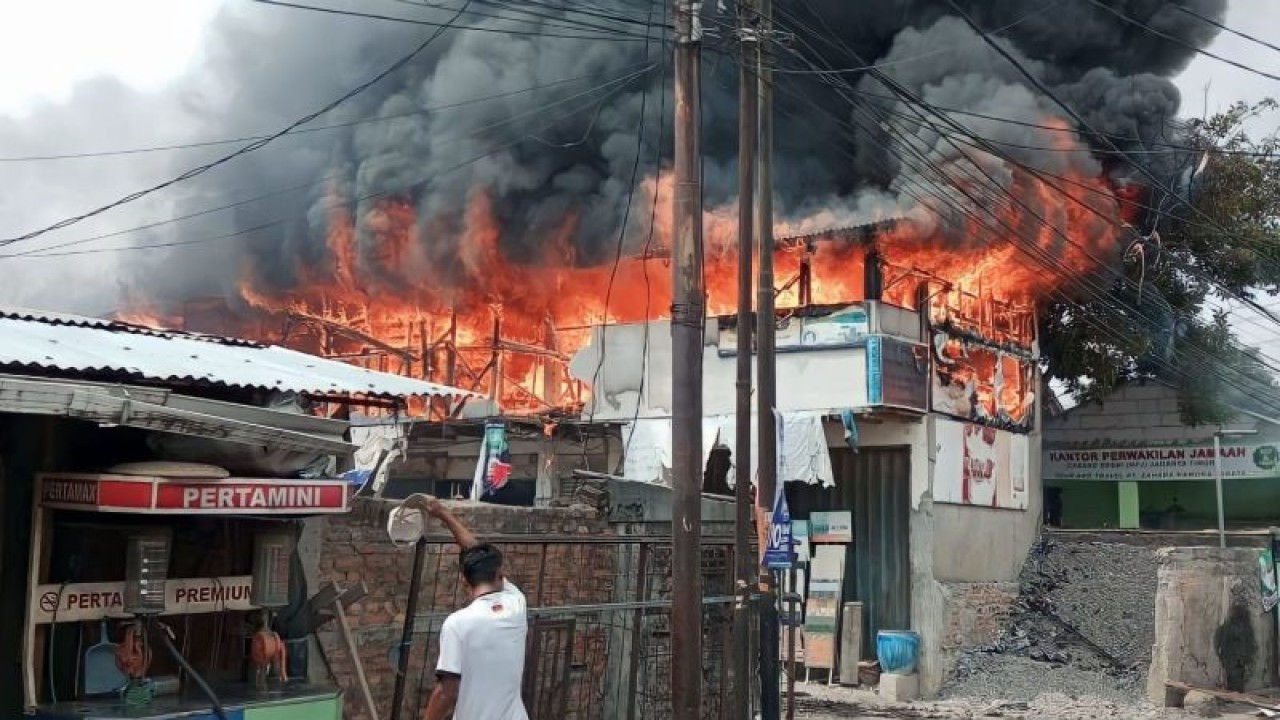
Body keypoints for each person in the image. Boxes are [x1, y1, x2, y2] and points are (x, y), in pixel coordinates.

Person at [415, 495, 529, 720]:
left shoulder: (458, 624)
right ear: (500, 575)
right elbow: (476, 552)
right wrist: (443, 513)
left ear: (465, 584)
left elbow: (447, 692)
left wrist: (441, 514)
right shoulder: (516, 603)